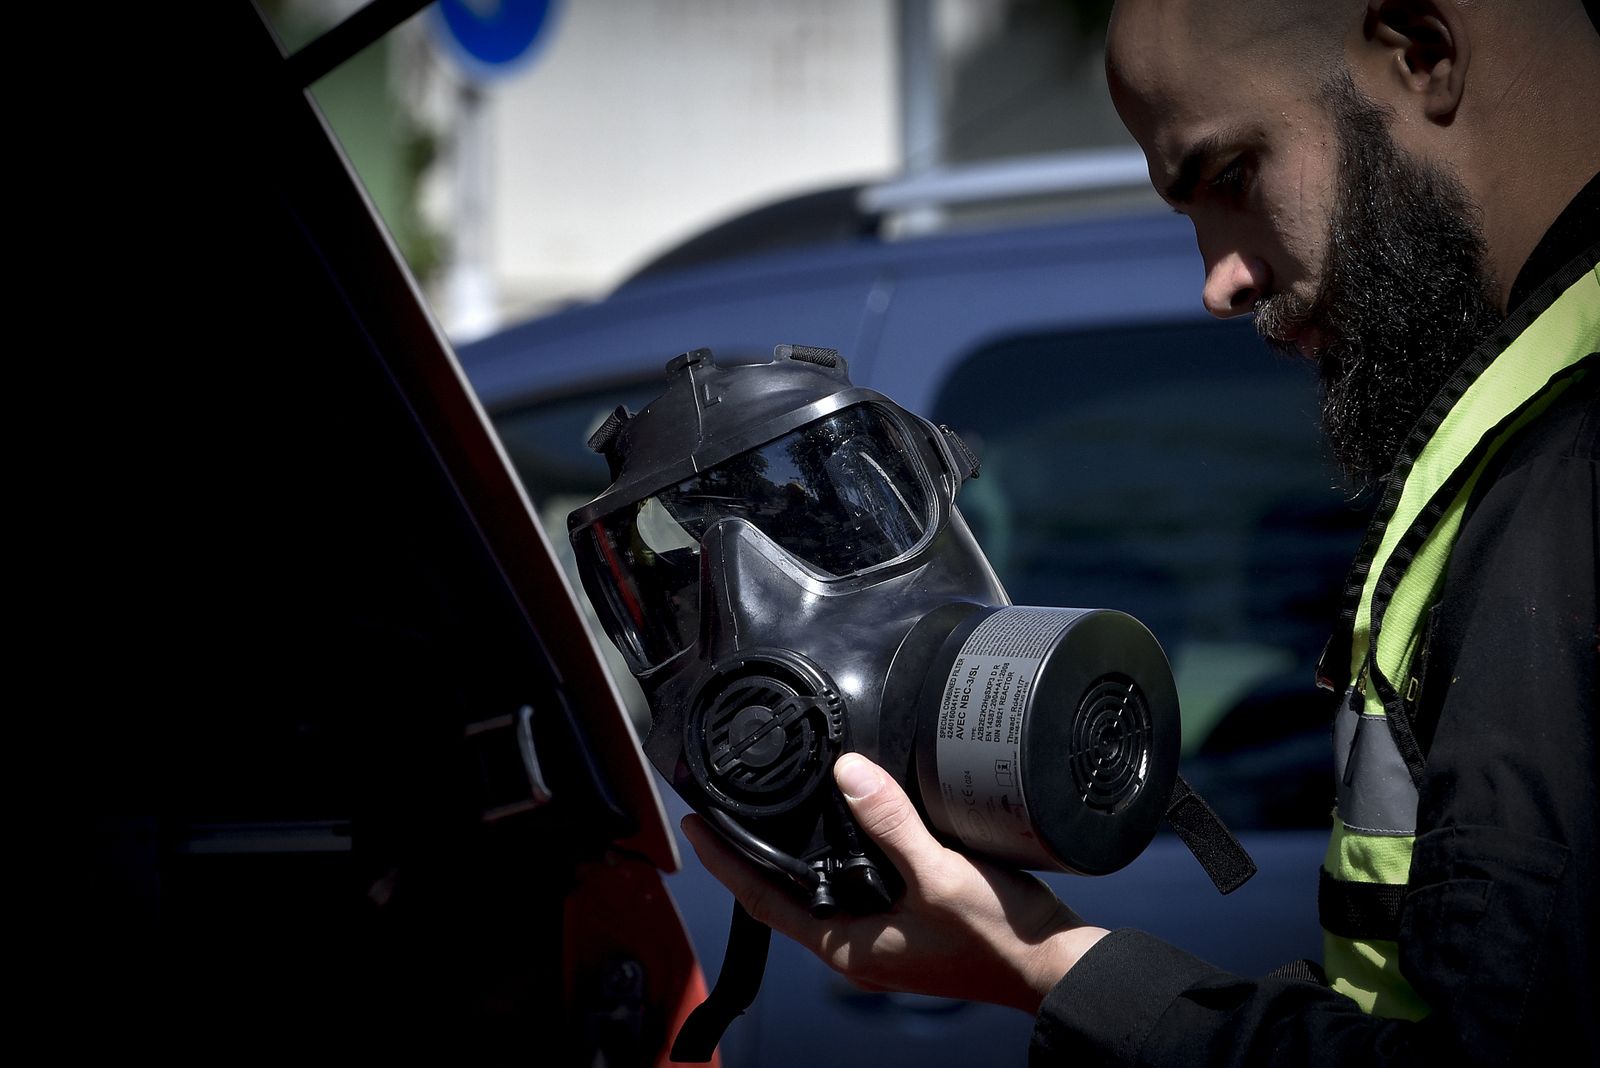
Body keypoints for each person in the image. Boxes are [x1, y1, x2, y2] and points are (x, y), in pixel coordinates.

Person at [682, 0, 1598, 1063]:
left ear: (1419, 51)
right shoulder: (1535, 429)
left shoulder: (1563, 481)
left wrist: (1042, 965)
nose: (1218, 279)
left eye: (1230, 178)